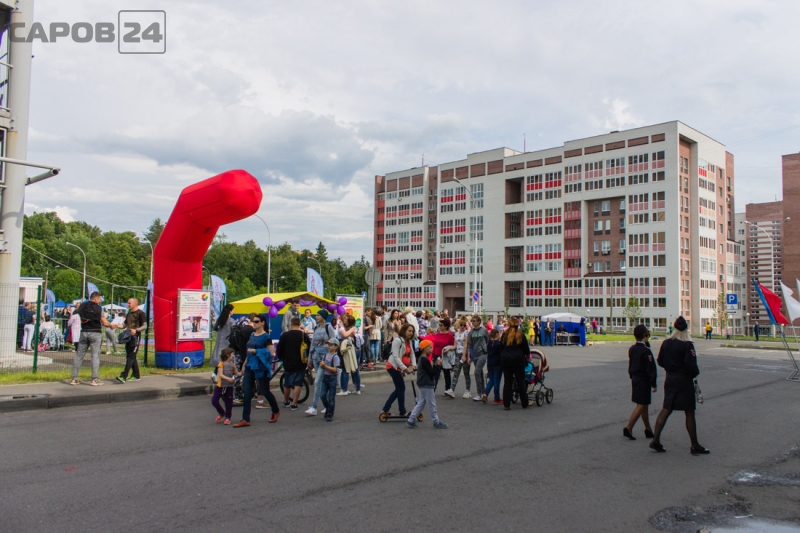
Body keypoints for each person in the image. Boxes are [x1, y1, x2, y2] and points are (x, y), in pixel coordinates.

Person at [648, 316, 709, 455]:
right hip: (684, 380)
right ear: (686, 330)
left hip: (670, 378)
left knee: (666, 408)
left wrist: (670, 368)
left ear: (674, 329)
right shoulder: (687, 345)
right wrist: (694, 373)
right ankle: (694, 444)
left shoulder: (666, 343)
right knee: (689, 411)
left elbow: (660, 360)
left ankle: (655, 440)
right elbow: (691, 365)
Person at [234, 314, 280, 427]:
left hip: (261, 367)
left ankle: (275, 410)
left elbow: (271, 353)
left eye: (257, 321)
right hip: (250, 365)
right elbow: (248, 351)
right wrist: (244, 364)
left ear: (262, 323)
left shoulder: (266, 337)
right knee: (247, 391)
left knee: (265, 391)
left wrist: (257, 351)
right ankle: (245, 419)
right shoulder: (252, 335)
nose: (254, 323)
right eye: (253, 321)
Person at [71, 292, 117, 386]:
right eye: (99, 299)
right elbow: (104, 322)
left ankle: (74, 378)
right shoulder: (99, 308)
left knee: (79, 355)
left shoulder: (82, 306)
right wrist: (111, 325)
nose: (100, 301)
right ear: (96, 299)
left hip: (84, 332)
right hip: (95, 332)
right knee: (95, 356)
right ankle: (94, 379)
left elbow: (80, 318)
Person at [624, 325, 657, 440]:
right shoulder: (646, 351)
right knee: (641, 404)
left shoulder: (632, 349)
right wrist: (653, 383)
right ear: (644, 335)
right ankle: (629, 427)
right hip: (644, 380)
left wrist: (631, 375)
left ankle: (648, 429)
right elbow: (651, 368)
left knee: (644, 404)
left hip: (635, 378)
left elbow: (631, 364)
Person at [406, 340, 448, 429]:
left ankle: (411, 419)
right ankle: (436, 421)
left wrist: (435, 365)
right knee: (431, 403)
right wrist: (438, 365)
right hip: (427, 384)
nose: (432, 349)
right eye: (430, 347)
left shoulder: (422, 358)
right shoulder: (424, 359)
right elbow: (432, 373)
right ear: (424, 348)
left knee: (421, 402)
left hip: (422, 383)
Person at [305, 309, 337, 416]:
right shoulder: (316, 328)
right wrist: (309, 358)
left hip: (325, 358)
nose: (316, 316)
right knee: (322, 382)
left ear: (323, 316)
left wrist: (331, 356)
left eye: (318, 315)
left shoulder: (328, 327)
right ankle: (326, 406)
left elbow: (334, 341)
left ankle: (314, 407)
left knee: (317, 381)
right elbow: (312, 344)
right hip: (315, 356)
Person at [381, 323, 416, 417]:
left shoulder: (409, 341)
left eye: (412, 331)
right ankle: (402, 412)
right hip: (393, 366)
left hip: (400, 367)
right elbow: (395, 356)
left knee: (399, 389)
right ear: (404, 331)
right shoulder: (397, 340)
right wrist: (405, 368)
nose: (411, 333)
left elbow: (412, 353)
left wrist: (414, 365)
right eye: (409, 331)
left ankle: (385, 409)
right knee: (401, 388)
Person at [277, 317, 310, 410]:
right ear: (299, 325)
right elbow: (309, 348)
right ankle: (294, 403)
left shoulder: (285, 335)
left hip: (288, 361)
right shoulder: (303, 335)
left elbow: (279, 349)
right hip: (301, 362)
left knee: (287, 383)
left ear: (291, 324)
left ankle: (286, 401)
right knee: (298, 383)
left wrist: (281, 357)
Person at [501, 318, 530, 410]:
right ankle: (524, 403)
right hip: (518, 360)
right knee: (521, 381)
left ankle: (506, 404)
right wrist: (527, 356)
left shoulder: (505, 335)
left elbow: (501, 347)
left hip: (506, 360)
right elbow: (526, 349)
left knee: (507, 382)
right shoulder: (520, 335)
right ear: (518, 325)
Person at [116, 298, 147, 383]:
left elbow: (145, 326)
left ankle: (124, 375)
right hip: (128, 336)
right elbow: (124, 325)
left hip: (135, 337)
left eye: (129, 303)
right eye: (128, 303)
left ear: (135, 303)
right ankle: (136, 375)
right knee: (130, 356)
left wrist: (136, 330)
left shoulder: (140, 313)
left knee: (131, 356)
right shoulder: (129, 313)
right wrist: (116, 325)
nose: (128, 304)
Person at [337, 313, 362, 395]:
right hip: (354, 349)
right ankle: (357, 388)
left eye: (345, 319)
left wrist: (352, 329)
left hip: (348, 349)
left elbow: (345, 335)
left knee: (346, 369)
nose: (344, 321)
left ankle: (344, 389)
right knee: (354, 368)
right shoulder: (352, 328)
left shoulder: (346, 328)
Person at [318, 338, 341, 422]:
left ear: (336, 347)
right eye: (328, 345)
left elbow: (335, 369)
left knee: (331, 398)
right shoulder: (326, 355)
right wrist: (322, 364)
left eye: (331, 345)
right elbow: (323, 365)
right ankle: (328, 408)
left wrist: (325, 366)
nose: (329, 346)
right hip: (325, 377)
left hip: (332, 378)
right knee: (322, 395)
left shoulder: (336, 357)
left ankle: (330, 413)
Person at [211, 347, 237, 425]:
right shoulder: (221, 364)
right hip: (220, 386)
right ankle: (221, 412)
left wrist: (243, 371)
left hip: (229, 387)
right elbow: (221, 375)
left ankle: (228, 417)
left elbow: (237, 373)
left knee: (229, 403)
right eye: (232, 354)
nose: (233, 356)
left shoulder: (233, 365)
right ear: (227, 355)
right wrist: (229, 379)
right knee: (214, 400)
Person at [468, 315, 490, 402]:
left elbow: (487, 340)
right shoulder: (471, 332)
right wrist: (469, 356)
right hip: (475, 354)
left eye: (474, 321)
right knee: (480, 373)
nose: (473, 322)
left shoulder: (484, 331)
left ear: (478, 322)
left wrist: (485, 349)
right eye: (472, 321)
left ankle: (479, 393)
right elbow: (470, 345)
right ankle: (483, 392)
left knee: (476, 371)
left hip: (482, 354)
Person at [432, 318, 456, 397]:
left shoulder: (449, 335)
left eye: (441, 325)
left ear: (446, 326)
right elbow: (434, 345)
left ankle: (447, 389)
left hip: (445, 356)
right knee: (435, 373)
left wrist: (448, 350)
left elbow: (453, 346)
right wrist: (433, 356)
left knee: (446, 373)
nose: (439, 326)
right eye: (439, 325)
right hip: (437, 355)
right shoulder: (437, 334)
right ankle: (433, 389)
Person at [211, 304, 235, 375]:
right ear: (230, 311)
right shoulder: (231, 321)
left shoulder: (220, 319)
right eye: (233, 310)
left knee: (220, 357)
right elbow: (234, 331)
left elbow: (215, 327)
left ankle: (216, 373)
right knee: (227, 358)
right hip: (227, 341)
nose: (234, 311)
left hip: (219, 340)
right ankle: (219, 374)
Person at [451, 319, 471, 398]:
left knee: (466, 373)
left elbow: (466, 344)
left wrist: (464, 355)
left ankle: (467, 390)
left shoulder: (466, 333)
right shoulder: (456, 334)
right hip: (457, 354)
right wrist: (448, 349)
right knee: (456, 372)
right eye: (461, 325)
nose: (462, 327)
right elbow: (455, 345)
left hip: (464, 354)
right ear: (458, 325)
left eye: (464, 325)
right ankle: (452, 389)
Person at [482, 329, 503, 404]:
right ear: (497, 334)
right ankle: (496, 398)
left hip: (490, 362)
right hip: (497, 363)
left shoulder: (489, 343)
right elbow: (501, 354)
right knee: (497, 381)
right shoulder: (499, 344)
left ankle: (485, 393)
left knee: (491, 379)